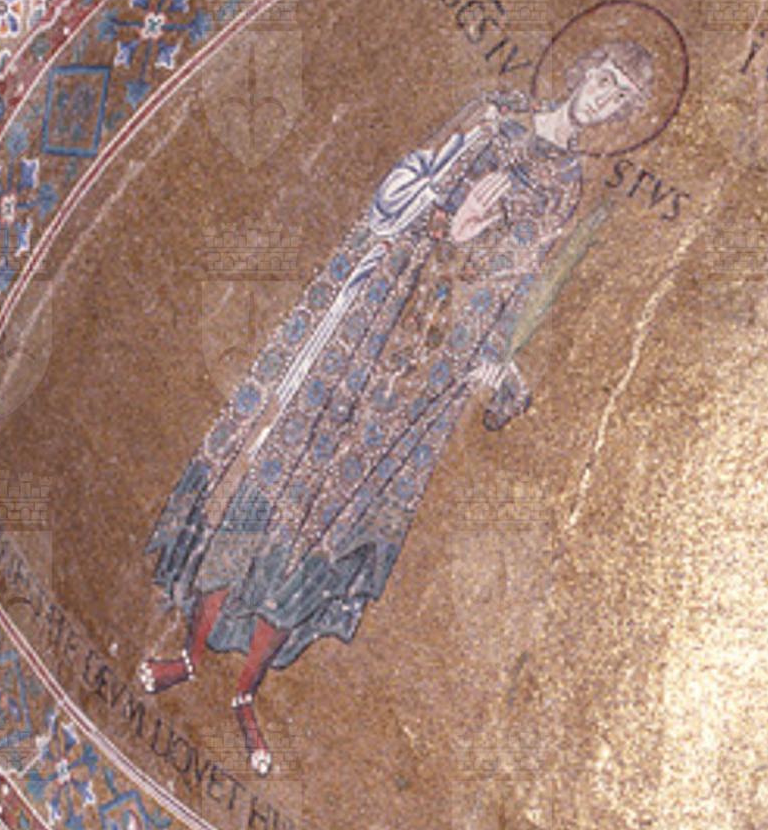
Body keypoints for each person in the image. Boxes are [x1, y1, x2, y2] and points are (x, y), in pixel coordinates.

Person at [141, 39, 655, 774]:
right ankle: (189, 654)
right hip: (378, 314)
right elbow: (402, 192)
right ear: (581, 70)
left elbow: (515, 281)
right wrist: (448, 221)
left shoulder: (564, 186)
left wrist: (496, 356)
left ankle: (248, 692)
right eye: (604, 79)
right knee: (275, 475)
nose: (604, 98)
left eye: (621, 98)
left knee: (332, 520)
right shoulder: (494, 115)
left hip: (432, 359)